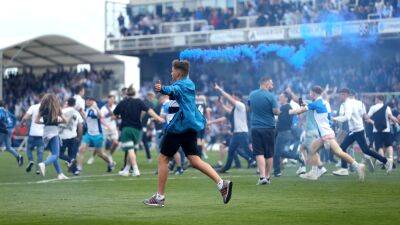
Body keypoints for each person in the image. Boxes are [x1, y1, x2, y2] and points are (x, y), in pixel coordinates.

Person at [144, 60, 232, 207]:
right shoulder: (189, 83)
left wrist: (161, 88)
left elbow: (173, 90)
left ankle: (159, 197)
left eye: (173, 70)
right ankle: (222, 184)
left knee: (163, 158)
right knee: (195, 160)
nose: (171, 73)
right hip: (189, 126)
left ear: (179, 72)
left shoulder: (180, 84)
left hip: (179, 127)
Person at [290, 86, 366, 181]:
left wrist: (286, 112)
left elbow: (300, 111)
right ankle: (315, 172)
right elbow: (304, 104)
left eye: (310, 93)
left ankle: (357, 166)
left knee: (335, 152)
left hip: (326, 134)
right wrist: (301, 101)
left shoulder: (317, 103)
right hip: (326, 134)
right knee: (314, 150)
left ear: (313, 93)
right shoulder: (320, 102)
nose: (309, 95)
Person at [332, 89, 392, 176]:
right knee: (343, 148)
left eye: (341, 95)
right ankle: (344, 168)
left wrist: (334, 118)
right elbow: (364, 116)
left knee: (364, 150)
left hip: (356, 130)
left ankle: (385, 161)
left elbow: (347, 117)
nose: (340, 97)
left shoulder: (347, 104)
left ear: (345, 95)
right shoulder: (360, 103)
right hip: (357, 129)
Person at [114, 85, 164, 177]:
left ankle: (136, 169)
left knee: (130, 150)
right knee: (131, 150)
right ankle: (126, 169)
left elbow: (115, 115)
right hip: (138, 130)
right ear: (135, 93)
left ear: (126, 93)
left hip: (127, 129)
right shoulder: (139, 102)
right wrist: (158, 118)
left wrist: (120, 116)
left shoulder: (122, 102)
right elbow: (149, 111)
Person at [211, 84, 255, 173]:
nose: (232, 97)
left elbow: (228, 98)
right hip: (236, 133)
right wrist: (222, 104)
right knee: (231, 151)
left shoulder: (240, 105)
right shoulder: (237, 107)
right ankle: (225, 168)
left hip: (242, 133)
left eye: (233, 96)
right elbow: (229, 111)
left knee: (247, 151)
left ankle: (261, 160)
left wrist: (220, 89)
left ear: (237, 97)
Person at [285, 87, 327, 178]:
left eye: (310, 92)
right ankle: (309, 167)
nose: (309, 93)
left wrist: (290, 92)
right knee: (302, 148)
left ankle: (316, 170)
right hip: (314, 131)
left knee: (312, 151)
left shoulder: (312, 103)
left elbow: (297, 101)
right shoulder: (316, 103)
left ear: (314, 93)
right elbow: (299, 101)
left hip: (311, 131)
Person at [248, 76, 280, 185]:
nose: (272, 85)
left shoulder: (252, 94)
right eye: (271, 83)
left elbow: (249, 108)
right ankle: (268, 177)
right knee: (269, 153)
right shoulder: (271, 96)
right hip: (269, 127)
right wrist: (279, 112)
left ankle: (262, 177)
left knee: (259, 153)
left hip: (255, 127)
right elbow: (275, 111)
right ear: (266, 83)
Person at [75, 97, 115, 175]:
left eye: (89, 100)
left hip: (98, 135)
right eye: (87, 100)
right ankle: (79, 169)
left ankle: (111, 163)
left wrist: (96, 107)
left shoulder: (95, 109)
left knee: (100, 154)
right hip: (88, 134)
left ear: (92, 101)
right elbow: (86, 119)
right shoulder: (87, 109)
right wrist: (81, 111)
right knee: (81, 150)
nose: (87, 102)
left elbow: (100, 116)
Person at [36, 94, 68, 180]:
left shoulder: (42, 109)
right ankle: (44, 164)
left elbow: (36, 121)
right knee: (56, 155)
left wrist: (44, 123)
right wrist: (59, 121)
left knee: (53, 153)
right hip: (54, 132)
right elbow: (65, 120)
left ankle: (60, 174)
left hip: (45, 133)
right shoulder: (57, 109)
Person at [273, 92, 306, 177]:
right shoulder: (282, 107)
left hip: (284, 133)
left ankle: (277, 172)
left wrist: (301, 101)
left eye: (281, 97)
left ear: (286, 98)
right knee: (280, 152)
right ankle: (297, 156)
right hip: (280, 132)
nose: (279, 98)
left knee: (277, 153)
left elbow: (300, 110)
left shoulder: (287, 107)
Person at [367, 95, 399, 172]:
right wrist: (396, 121)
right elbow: (391, 116)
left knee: (379, 146)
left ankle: (385, 161)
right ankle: (391, 158)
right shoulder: (387, 107)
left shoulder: (373, 107)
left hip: (377, 131)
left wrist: (374, 122)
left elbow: (367, 118)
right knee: (389, 144)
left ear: (377, 99)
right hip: (386, 130)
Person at [59, 98, 84, 174]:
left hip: (62, 137)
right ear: (74, 104)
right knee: (72, 154)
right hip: (73, 136)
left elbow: (57, 122)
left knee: (59, 154)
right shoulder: (76, 113)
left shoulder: (62, 112)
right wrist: (79, 137)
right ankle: (74, 169)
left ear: (67, 103)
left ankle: (73, 167)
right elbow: (80, 126)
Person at [21, 95, 44, 174]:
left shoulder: (33, 107)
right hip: (42, 134)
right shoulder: (48, 108)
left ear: (39, 98)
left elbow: (25, 117)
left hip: (33, 133)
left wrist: (22, 123)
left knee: (28, 149)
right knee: (40, 152)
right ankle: (38, 169)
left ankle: (31, 160)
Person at [0, 100, 23, 167]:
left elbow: (1, 119)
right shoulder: (6, 111)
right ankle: (19, 156)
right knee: (8, 147)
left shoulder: (0, 111)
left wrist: (4, 126)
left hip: (3, 130)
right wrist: (12, 126)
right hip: (9, 130)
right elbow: (14, 117)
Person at [100, 95, 119, 164]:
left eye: (113, 99)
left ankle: (110, 155)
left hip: (113, 128)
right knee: (101, 151)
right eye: (110, 99)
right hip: (105, 129)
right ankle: (110, 162)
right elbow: (101, 118)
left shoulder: (115, 107)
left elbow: (118, 116)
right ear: (108, 100)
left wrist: (115, 117)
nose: (111, 100)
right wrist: (106, 125)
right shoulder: (103, 108)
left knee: (116, 143)